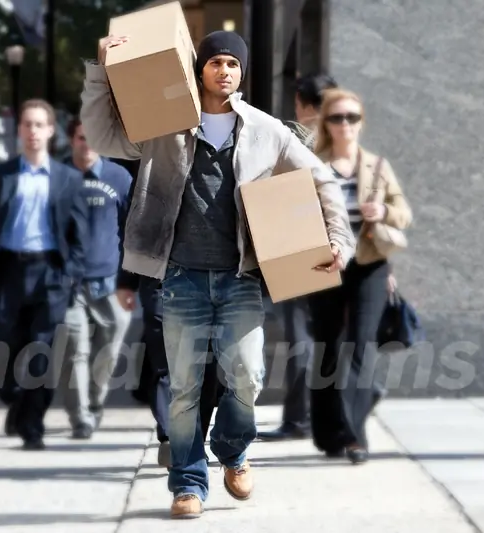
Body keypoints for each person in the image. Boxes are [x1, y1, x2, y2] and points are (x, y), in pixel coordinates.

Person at [81, 30, 355, 518]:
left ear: (242, 72)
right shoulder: (164, 124)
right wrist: (102, 72)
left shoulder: (266, 130)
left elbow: (322, 178)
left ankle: (233, 449)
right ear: (199, 69)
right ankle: (187, 484)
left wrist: (338, 238)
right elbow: (103, 136)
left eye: (232, 63)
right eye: (215, 62)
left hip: (241, 278)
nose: (224, 70)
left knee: (247, 377)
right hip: (181, 277)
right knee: (184, 389)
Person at [308, 88, 412, 464]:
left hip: (369, 266)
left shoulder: (378, 166)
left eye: (352, 117)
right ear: (327, 124)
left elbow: (404, 215)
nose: (345, 124)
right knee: (327, 348)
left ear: (361, 122)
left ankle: (355, 435)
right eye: (337, 118)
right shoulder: (311, 164)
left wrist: (381, 211)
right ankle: (327, 432)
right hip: (325, 265)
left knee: (361, 344)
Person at [0, 99, 88, 450]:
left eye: (39, 125)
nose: (32, 132)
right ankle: (16, 402)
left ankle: (33, 425)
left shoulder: (68, 179)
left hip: (51, 273)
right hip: (9, 271)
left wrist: (71, 275)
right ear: (19, 131)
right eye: (27, 124)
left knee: (42, 351)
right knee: (7, 349)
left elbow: (78, 235)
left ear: (51, 131)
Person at [258, 72, 339, 442]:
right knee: (325, 337)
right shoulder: (342, 140)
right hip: (339, 247)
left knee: (301, 338)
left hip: (300, 245)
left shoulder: (295, 138)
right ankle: (322, 417)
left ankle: (299, 419)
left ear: (301, 104)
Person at [60, 117, 132, 439]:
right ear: (70, 140)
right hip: (69, 283)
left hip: (111, 283)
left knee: (108, 352)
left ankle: (95, 403)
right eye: (80, 138)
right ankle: (80, 417)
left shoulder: (120, 178)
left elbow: (133, 231)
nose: (86, 144)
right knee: (75, 349)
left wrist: (131, 280)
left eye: (92, 138)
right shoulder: (57, 176)